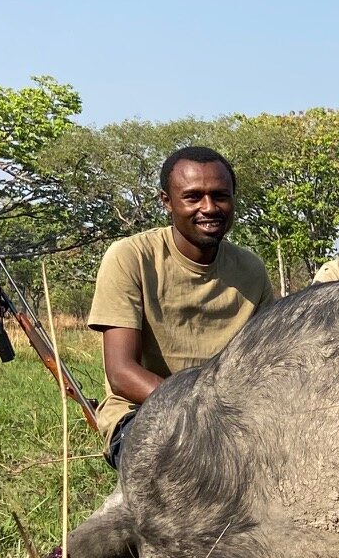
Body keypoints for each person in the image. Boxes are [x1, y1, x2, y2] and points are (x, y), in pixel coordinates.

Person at [88, 145, 272, 467]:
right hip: (143, 411)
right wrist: (203, 411)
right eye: (192, 197)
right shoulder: (131, 257)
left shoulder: (251, 270)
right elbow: (121, 373)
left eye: (220, 196)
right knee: (191, 469)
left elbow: (269, 364)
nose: (209, 207)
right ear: (167, 202)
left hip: (231, 416)